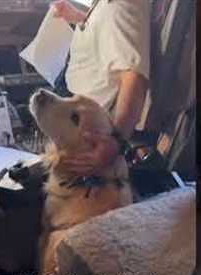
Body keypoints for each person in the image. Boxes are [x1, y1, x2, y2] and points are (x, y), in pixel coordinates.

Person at [52, 0, 151, 175]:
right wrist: (79, 18)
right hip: (79, 117)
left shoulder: (120, 5)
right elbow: (112, 36)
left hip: (91, 131)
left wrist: (114, 143)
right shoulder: (108, 5)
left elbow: (134, 78)